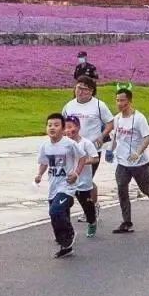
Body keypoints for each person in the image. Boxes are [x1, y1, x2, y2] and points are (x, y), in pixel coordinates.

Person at [110, 88, 149, 234]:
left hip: (139, 163)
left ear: (129, 101)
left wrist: (138, 152)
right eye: (117, 100)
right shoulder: (117, 118)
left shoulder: (139, 118)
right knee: (122, 189)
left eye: (122, 100)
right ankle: (127, 221)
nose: (119, 103)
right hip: (122, 162)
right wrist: (111, 151)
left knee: (145, 188)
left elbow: (147, 137)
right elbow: (116, 137)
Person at [35, 113, 87, 258]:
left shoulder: (69, 144)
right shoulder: (45, 146)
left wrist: (76, 173)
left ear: (63, 128)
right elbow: (44, 162)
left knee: (55, 211)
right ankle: (65, 245)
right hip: (53, 187)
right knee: (57, 215)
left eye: (56, 125)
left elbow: (83, 157)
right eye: (50, 125)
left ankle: (69, 233)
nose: (52, 128)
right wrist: (39, 175)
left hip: (67, 187)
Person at [62, 76, 113, 215]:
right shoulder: (69, 105)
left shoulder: (98, 105)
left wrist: (102, 136)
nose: (81, 92)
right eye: (79, 88)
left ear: (91, 91)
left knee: (88, 180)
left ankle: (91, 208)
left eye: (85, 89)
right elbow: (63, 125)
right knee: (77, 179)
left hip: (91, 149)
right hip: (72, 149)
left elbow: (110, 123)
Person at [63, 115, 101, 239]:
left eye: (71, 127)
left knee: (87, 207)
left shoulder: (86, 143)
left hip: (83, 182)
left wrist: (83, 162)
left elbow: (95, 158)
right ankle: (65, 230)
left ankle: (92, 222)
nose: (68, 131)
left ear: (78, 127)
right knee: (63, 206)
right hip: (67, 182)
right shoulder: (64, 143)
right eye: (66, 128)